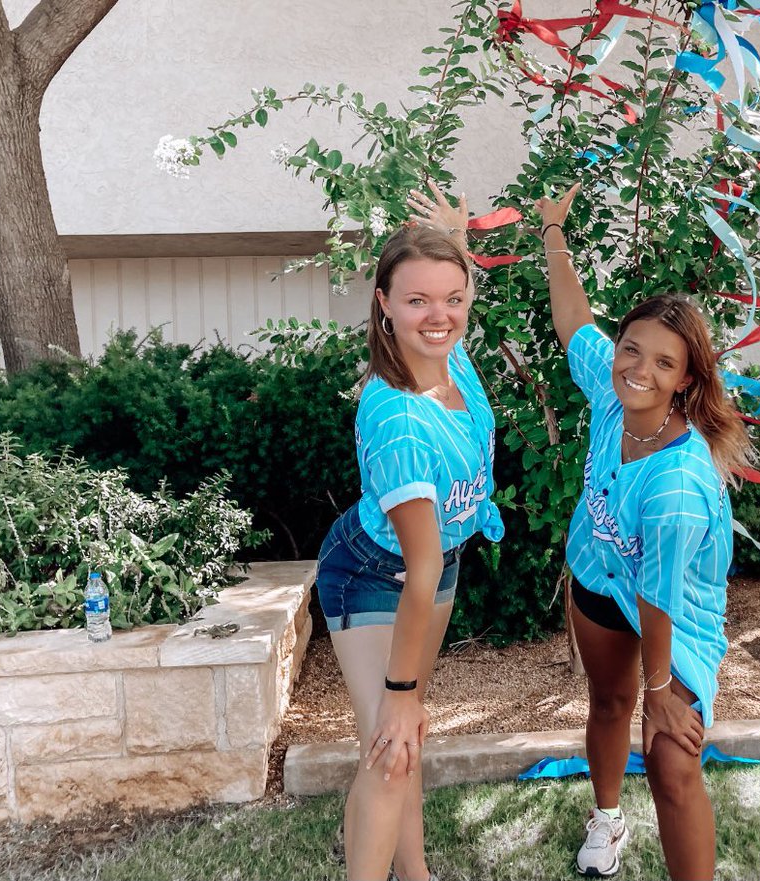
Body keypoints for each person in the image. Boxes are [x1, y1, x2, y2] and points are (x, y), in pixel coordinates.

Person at [536, 184, 751, 881]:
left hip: (673, 611)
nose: (639, 369)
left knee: (671, 756)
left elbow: (659, 597)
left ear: (686, 378)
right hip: (600, 574)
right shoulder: (609, 381)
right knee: (609, 703)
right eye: (633, 350)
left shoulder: (678, 485)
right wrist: (553, 232)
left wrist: (663, 688)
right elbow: (573, 319)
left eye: (663, 362)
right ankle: (606, 818)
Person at [316, 184, 503, 881]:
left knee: (405, 742)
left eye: (453, 298)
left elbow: (433, 564)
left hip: (436, 565)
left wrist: (455, 239)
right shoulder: (396, 419)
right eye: (417, 299)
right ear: (383, 304)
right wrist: (401, 692)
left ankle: (415, 873)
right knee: (391, 744)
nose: (440, 315)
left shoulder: (452, 362)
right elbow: (417, 568)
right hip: (375, 572)